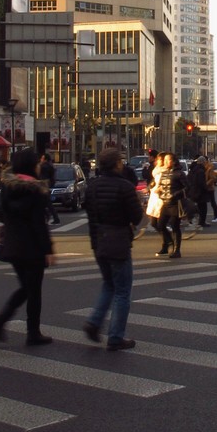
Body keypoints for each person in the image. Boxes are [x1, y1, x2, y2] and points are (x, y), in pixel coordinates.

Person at [0, 147, 55, 346]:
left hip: (13, 244)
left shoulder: (8, 187)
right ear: (30, 166)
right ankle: (31, 331)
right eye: (36, 163)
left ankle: (2, 319)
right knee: (33, 291)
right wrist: (48, 249)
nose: (39, 166)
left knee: (26, 287)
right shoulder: (36, 190)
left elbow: (2, 214)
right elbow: (38, 223)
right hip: (32, 246)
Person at [83, 146, 144, 350]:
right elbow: (136, 217)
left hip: (99, 238)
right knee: (122, 291)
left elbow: (90, 216)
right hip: (119, 240)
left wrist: (94, 242)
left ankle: (94, 322)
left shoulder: (92, 186)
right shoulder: (125, 187)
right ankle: (116, 336)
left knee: (109, 284)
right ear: (117, 164)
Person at [152, 152, 186, 258]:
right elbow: (160, 185)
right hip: (165, 203)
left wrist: (176, 194)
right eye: (165, 160)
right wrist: (158, 190)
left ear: (174, 161)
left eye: (169, 160)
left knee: (175, 226)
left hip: (175, 204)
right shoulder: (164, 173)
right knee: (160, 224)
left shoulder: (179, 173)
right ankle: (169, 242)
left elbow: (187, 187)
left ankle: (177, 250)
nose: (166, 162)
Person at [38, 152, 61, 226]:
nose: (40, 159)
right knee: (46, 203)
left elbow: (41, 177)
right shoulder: (50, 166)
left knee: (46, 203)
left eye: (42, 158)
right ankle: (51, 217)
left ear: (45, 159)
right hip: (47, 186)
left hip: (43, 186)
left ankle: (53, 218)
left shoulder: (43, 167)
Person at [186, 155, 209, 227]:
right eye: (205, 162)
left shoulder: (193, 169)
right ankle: (202, 222)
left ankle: (197, 220)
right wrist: (206, 188)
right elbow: (201, 183)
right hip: (200, 192)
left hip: (194, 191)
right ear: (202, 162)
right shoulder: (201, 171)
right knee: (203, 208)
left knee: (198, 206)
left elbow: (189, 179)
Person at [202, 154, 217, 224]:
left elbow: (213, 178)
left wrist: (206, 184)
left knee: (212, 202)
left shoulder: (210, 168)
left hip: (209, 188)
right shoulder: (204, 167)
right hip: (205, 187)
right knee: (205, 203)